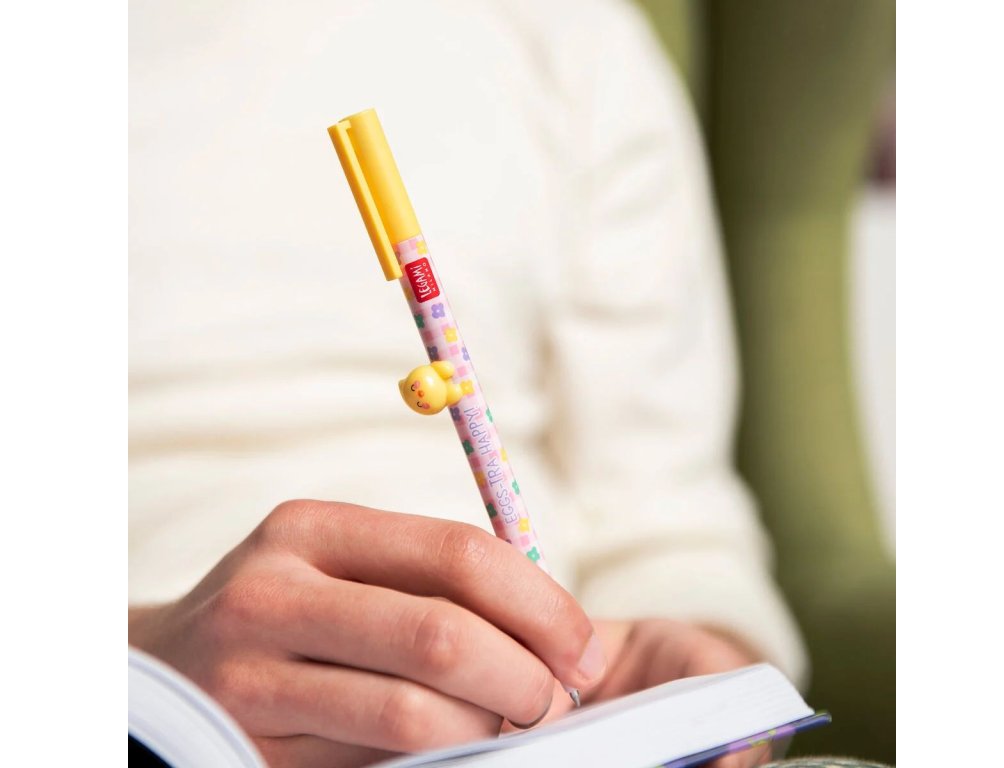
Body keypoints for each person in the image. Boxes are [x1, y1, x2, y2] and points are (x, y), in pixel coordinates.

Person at [128, 1, 807, 766]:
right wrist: (146, 677)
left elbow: (668, 523)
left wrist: (700, 680)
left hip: (540, 730)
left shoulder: (567, 35)